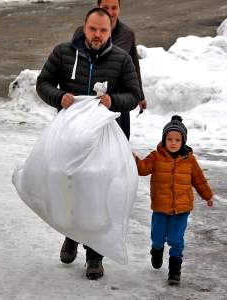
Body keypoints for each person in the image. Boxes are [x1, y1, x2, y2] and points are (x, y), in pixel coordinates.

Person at [36, 8, 141, 280]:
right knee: (66, 182)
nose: (97, 35)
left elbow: (133, 94)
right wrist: (59, 97)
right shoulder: (63, 53)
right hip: (69, 138)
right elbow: (43, 83)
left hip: (104, 139)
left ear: (110, 31)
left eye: (103, 30)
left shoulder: (120, 59)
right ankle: (72, 232)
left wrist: (113, 102)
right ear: (84, 27)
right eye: (93, 29)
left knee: (98, 190)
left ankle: (95, 256)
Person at [133, 115, 213, 285]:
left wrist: (207, 196)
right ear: (164, 139)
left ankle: (174, 272)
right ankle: (156, 250)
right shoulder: (156, 156)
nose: (173, 143)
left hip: (181, 209)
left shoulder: (189, 159)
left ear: (183, 141)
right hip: (161, 208)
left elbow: (199, 179)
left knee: (176, 240)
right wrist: (133, 159)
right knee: (157, 237)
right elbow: (142, 169)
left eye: (177, 139)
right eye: (169, 139)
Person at [98, 0, 146, 140]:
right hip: (94, 100)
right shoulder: (86, 31)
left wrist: (140, 95)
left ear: (119, 9)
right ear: (98, 7)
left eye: (114, 8)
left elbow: (134, 65)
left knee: (121, 141)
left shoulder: (127, 34)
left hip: (119, 98)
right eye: (105, 7)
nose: (110, 12)